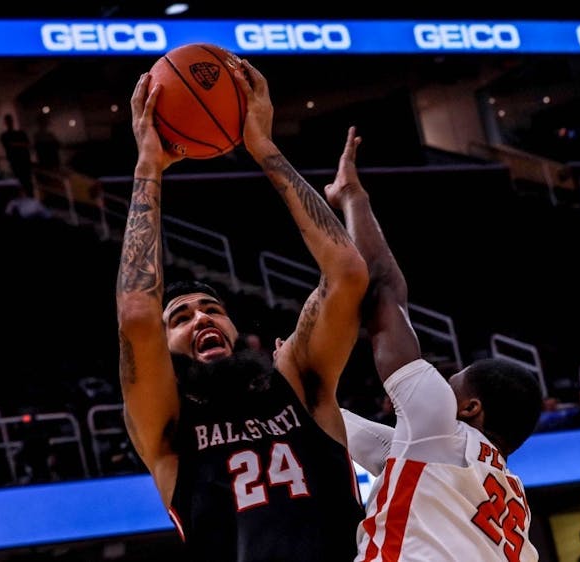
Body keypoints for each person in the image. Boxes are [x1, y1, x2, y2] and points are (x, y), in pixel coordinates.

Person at [116, 60, 369, 562]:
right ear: (165, 347)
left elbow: (347, 274)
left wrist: (263, 147)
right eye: (182, 318)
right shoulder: (165, 424)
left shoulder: (297, 379)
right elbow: (137, 318)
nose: (201, 318)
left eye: (211, 308)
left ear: (234, 327)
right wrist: (148, 165)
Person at [325, 128, 543, 560]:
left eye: (450, 383)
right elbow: (366, 438)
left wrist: (353, 197)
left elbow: (385, 289)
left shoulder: (439, 429)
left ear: (469, 408)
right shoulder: (501, 489)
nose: (439, 384)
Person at [0, 113, 34, 197]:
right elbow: (10, 145)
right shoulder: (6, 135)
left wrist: (15, 144)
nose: (9, 123)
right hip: (16, 161)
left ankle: (29, 198)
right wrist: (20, 144)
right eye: (8, 121)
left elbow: (26, 144)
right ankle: (27, 198)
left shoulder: (16, 134)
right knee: (23, 182)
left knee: (27, 182)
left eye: (10, 121)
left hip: (22, 161)